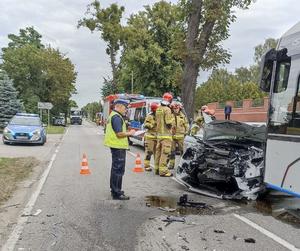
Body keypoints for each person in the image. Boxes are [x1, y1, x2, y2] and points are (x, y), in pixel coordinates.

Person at [104, 99, 135, 200]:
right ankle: (117, 193)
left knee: (116, 169)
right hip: (118, 147)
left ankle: (115, 190)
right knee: (118, 170)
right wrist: (130, 133)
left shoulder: (114, 115)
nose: (126, 110)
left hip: (117, 146)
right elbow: (119, 134)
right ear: (120, 106)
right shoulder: (117, 117)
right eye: (125, 108)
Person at [154, 93, 175, 177]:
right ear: (169, 100)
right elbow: (169, 123)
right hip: (166, 135)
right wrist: (173, 121)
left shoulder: (158, 109)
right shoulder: (167, 109)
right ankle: (163, 171)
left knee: (158, 152)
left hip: (159, 135)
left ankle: (157, 169)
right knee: (165, 153)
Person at [169, 102, 189, 169]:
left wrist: (186, 132)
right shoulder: (170, 115)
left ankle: (182, 165)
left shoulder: (183, 116)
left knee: (182, 151)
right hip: (172, 136)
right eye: (174, 108)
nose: (175, 110)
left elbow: (186, 125)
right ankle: (171, 165)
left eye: (177, 108)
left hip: (181, 136)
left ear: (179, 108)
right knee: (172, 151)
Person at [143, 102, 159, 172]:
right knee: (149, 152)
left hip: (158, 137)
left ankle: (157, 167)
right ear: (154, 109)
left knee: (157, 153)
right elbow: (145, 125)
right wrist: (152, 124)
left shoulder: (160, 116)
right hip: (150, 137)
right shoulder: (149, 116)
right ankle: (147, 166)